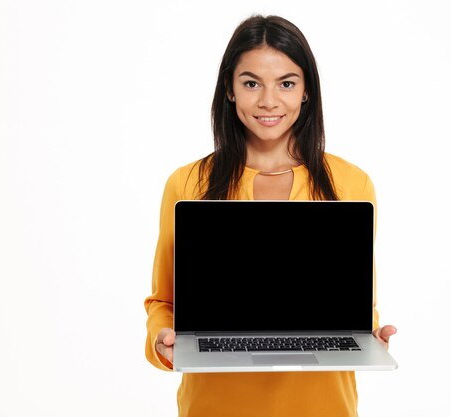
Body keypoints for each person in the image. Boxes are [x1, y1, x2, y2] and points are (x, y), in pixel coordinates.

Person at [144, 14, 397, 417]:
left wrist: (366, 335)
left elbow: (357, 302)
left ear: (306, 92)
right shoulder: (188, 183)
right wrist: (160, 339)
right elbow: (163, 300)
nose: (268, 101)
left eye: (286, 83)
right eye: (251, 83)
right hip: (215, 405)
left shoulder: (351, 184)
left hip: (322, 405)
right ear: (229, 89)